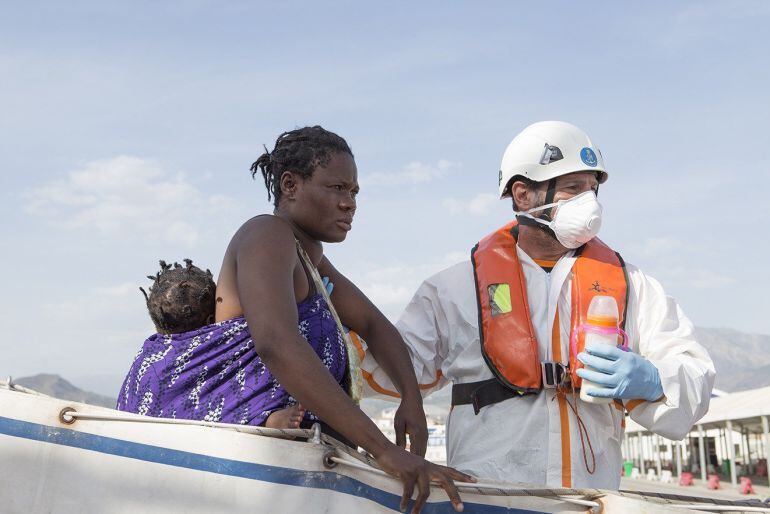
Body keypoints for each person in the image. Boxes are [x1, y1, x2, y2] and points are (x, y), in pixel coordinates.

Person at [118, 125, 472, 513]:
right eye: (337, 188)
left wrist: (411, 400)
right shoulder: (266, 234)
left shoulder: (310, 259)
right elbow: (277, 343)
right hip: (254, 479)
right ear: (290, 185)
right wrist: (384, 451)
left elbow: (374, 324)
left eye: (354, 192)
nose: (350, 203)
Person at [361, 121, 715, 489]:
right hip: (490, 499)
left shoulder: (632, 285)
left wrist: (655, 380)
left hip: (589, 502)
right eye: (573, 189)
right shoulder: (452, 290)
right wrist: (335, 328)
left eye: (592, 189)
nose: (589, 203)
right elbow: (388, 369)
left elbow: (695, 373)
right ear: (523, 194)